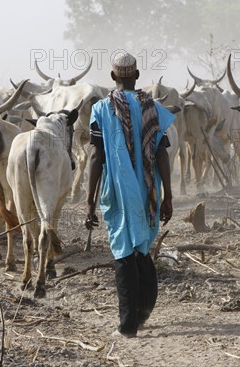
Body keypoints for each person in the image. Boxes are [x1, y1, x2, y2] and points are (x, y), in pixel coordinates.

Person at [85, 51, 174, 338]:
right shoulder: (153, 108)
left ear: (113, 77)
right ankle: (143, 313)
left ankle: (127, 326)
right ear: (137, 76)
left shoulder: (101, 109)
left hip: (120, 191)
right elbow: (162, 153)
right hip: (148, 191)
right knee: (143, 248)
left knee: (124, 251)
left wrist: (89, 202)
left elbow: (96, 157)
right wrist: (168, 195)